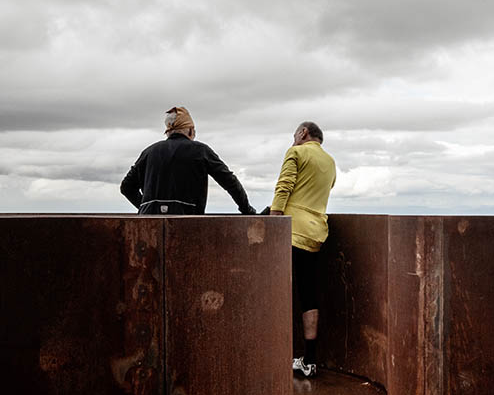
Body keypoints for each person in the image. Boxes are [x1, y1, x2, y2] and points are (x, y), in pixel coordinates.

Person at [270, 121, 336, 379]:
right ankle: (309, 360)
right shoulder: (330, 162)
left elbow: (284, 187)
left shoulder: (295, 152)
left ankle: (274, 352)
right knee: (308, 294)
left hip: (291, 231)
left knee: (278, 291)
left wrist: (273, 221)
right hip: (316, 232)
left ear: (304, 133)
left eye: (294, 135)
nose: (293, 139)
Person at [120, 106, 255, 215]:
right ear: (190, 131)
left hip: (148, 224)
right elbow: (229, 181)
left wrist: (146, 207)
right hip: (188, 225)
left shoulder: (149, 152)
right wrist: (247, 210)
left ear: (168, 132)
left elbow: (126, 187)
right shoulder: (200, 151)